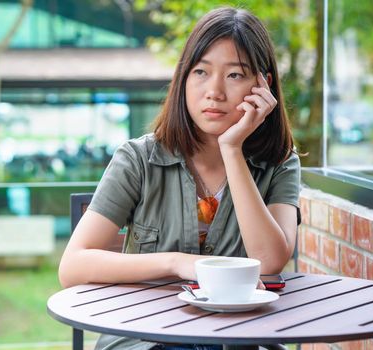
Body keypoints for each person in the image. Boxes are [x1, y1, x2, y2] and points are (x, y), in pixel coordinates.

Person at [59, 6, 301, 350]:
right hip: (145, 337)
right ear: (183, 78)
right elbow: (73, 266)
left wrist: (232, 149)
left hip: (239, 338)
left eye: (234, 75)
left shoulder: (279, 161)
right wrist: (178, 263)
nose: (214, 91)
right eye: (201, 71)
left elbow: (270, 260)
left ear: (263, 85)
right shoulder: (138, 159)